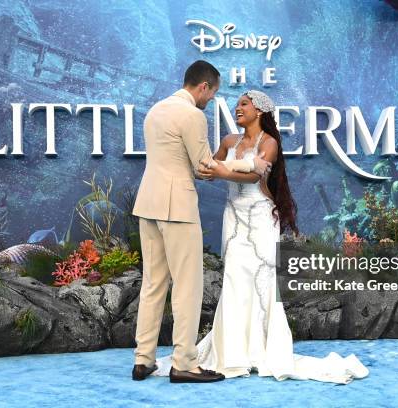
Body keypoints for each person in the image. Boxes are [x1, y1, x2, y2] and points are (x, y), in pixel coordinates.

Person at [152, 90, 370, 384]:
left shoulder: (270, 143)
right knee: (234, 279)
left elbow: (254, 177)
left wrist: (224, 169)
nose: (237, 108)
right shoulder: (229, 141)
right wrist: (205, 168)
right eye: (237, 104)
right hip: (235, 217)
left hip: (261, 218)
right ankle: (231, 354)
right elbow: (208, 168)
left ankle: (263, 350)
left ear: (261, 111)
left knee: (264, 282)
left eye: (244, 104)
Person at [131, 61, 271, 383]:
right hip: (177, 207)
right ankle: (184, 363)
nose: (210, 100)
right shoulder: (193, 115)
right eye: (213, 93)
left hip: (148, 205)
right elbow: (205, 167)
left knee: (152, 284)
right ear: (204, 87)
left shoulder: (155, 110)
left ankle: (143, 359)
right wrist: (251, 163)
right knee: (187, 287)